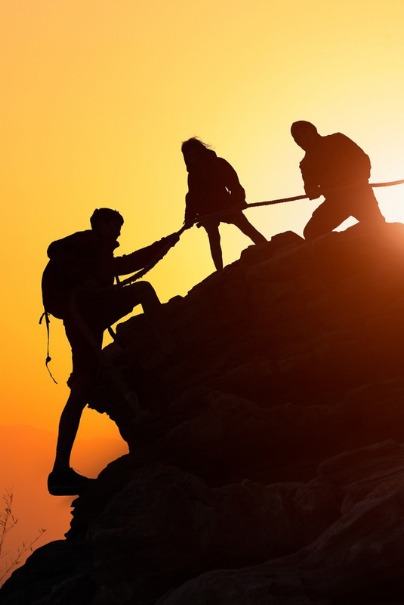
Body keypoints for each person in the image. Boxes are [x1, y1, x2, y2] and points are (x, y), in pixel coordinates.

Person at [41, 208, 181, 496]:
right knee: (143, 291)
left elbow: (127, 264)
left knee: (81, 388)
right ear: (102, 224)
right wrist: (85, 281)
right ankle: (172, 351)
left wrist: (168, 242)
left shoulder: (99, 255)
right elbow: (54, 249)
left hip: (81, 318)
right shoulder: (91, 241)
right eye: (116, 226)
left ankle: (60, 471)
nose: (118, 233)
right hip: (89, 309)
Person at [181, 138, 268, 271]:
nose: (193, 159)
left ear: (200, 152)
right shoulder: (192, 175)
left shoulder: (218, 164)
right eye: (189, 156)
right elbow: (192, 197)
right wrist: (189, 218)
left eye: (194, 154)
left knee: (246, 227)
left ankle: (267, 248)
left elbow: (234, 184)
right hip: (207, 212)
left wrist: (239, 200)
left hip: (226, 205)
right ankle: (219, 271)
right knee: (214, 238)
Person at [291, 121, 385, 239]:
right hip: (336, 202)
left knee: (378, 226)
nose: (303, 138)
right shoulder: (306, 164)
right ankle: (341, 249)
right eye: (298, 137)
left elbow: (362, 158)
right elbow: (310, 187)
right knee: (311, 233)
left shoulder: (337, 139)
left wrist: (362, 178)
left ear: (313, 131)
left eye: (304, 133)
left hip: (358, 194)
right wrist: (312, 191)